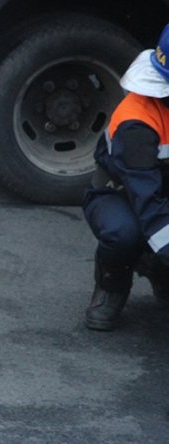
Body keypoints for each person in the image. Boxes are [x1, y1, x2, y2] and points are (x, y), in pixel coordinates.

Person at [83, 23, 169, 330]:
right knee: (125, 233)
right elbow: (149, 202)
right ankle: (112, 284)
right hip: (120, 196)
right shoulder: (137, 122)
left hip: (160, 194)